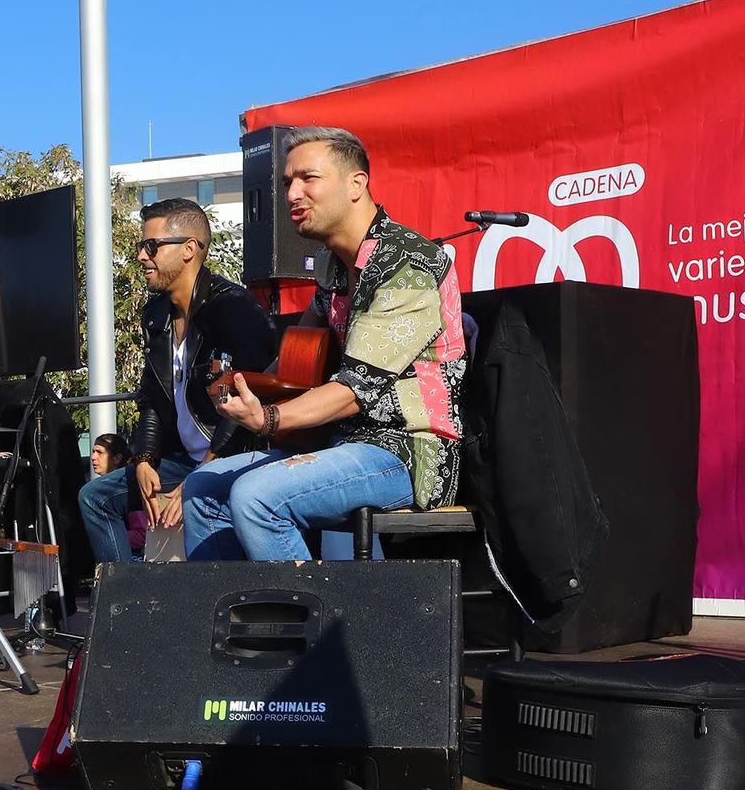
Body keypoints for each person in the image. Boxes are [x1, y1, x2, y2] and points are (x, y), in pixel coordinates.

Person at [182, 127, 465, 560]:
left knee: (257, 496)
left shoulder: (407, 263)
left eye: (308, 179)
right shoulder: (333, 270)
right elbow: (293, 367)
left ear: (356, 184)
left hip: (407, 450)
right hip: (339, 442)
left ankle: (304, 624)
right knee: (204, 487)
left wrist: (270, 419)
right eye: (286, 183)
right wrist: (240, 387)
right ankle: (237, 618)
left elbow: (355, 389)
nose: (293, 193)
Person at [77, 197, 275, 563]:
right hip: (184, 461)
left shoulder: (231, 307)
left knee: (201, 502)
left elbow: (243, 406)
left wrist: (202, 475)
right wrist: (145, 459)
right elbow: (152, 397)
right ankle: (129, 600)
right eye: (141, 245)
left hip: (236, 456)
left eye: (151, 246)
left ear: (188, 249)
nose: (140, 256)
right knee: (94, 497)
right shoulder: (156, 316)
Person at [88, 435, 147, 557]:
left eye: (100, 452)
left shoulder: (129, 487)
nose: (93, 457)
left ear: (116, 458)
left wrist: (102, 535)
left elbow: (141, 534)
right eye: (93, 452)